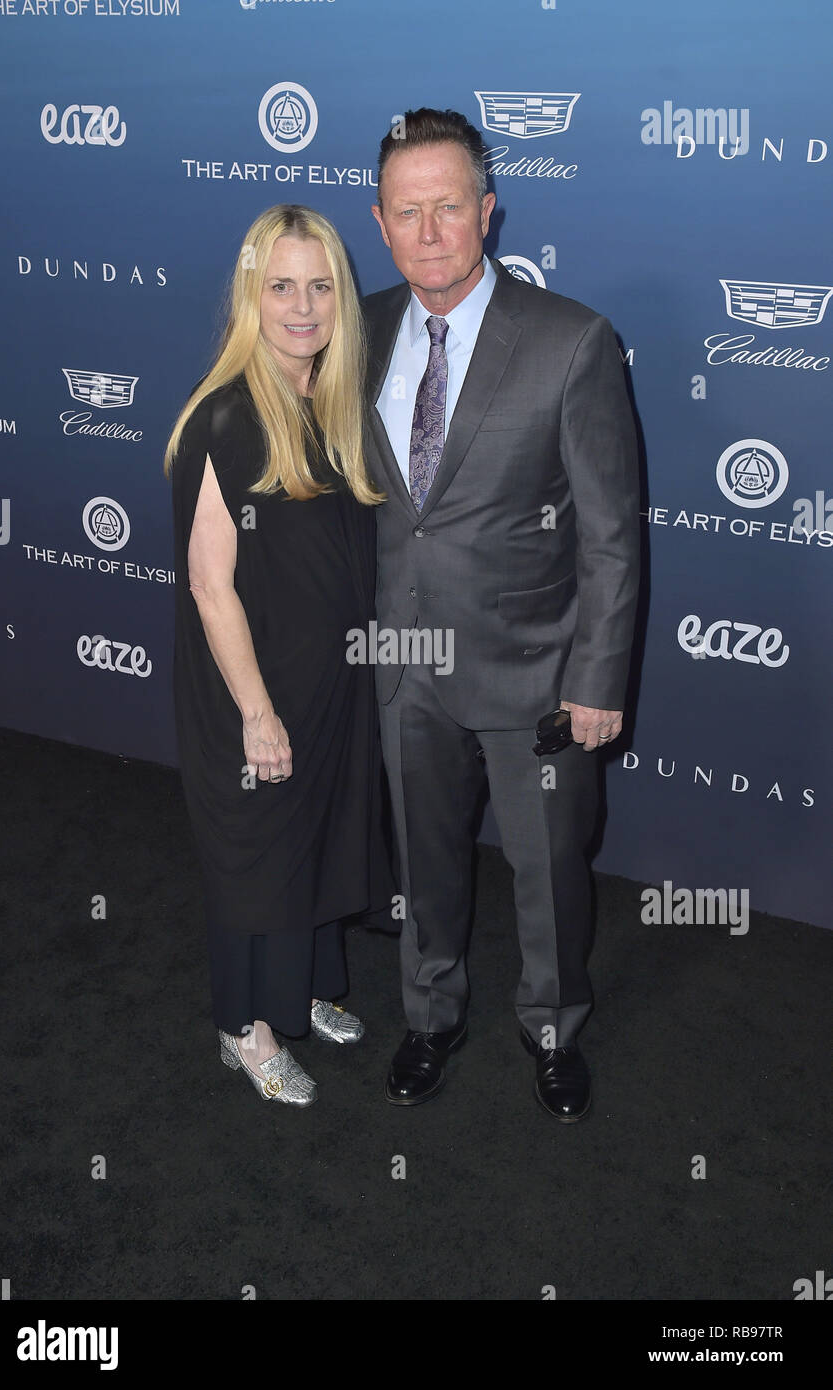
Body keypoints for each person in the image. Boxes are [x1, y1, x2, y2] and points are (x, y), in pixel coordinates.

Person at [362, 108, 640, 1121]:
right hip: (403, 667)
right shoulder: (357, 328)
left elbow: (610, 534)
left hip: (537, 675)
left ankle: (554, 1025)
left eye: (448, 207)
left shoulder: (570, 341)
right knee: (422, 866)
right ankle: (428, 1016)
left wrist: (595, 682)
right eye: (407, 211)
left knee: (549, 873)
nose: (428, 231)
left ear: (487, 211)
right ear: (381, 221)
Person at [165, 204, 392, 1107]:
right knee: (258, 858)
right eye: (281, 287)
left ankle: (296, 992)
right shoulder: (225, 418)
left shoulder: (331, 407)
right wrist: (257, 711)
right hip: (253, 689)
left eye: (321, 285)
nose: (303, 306)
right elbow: (211, 585)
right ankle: (246, 1033)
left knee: (316, 838)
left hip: (330, 679)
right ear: (251, 299)